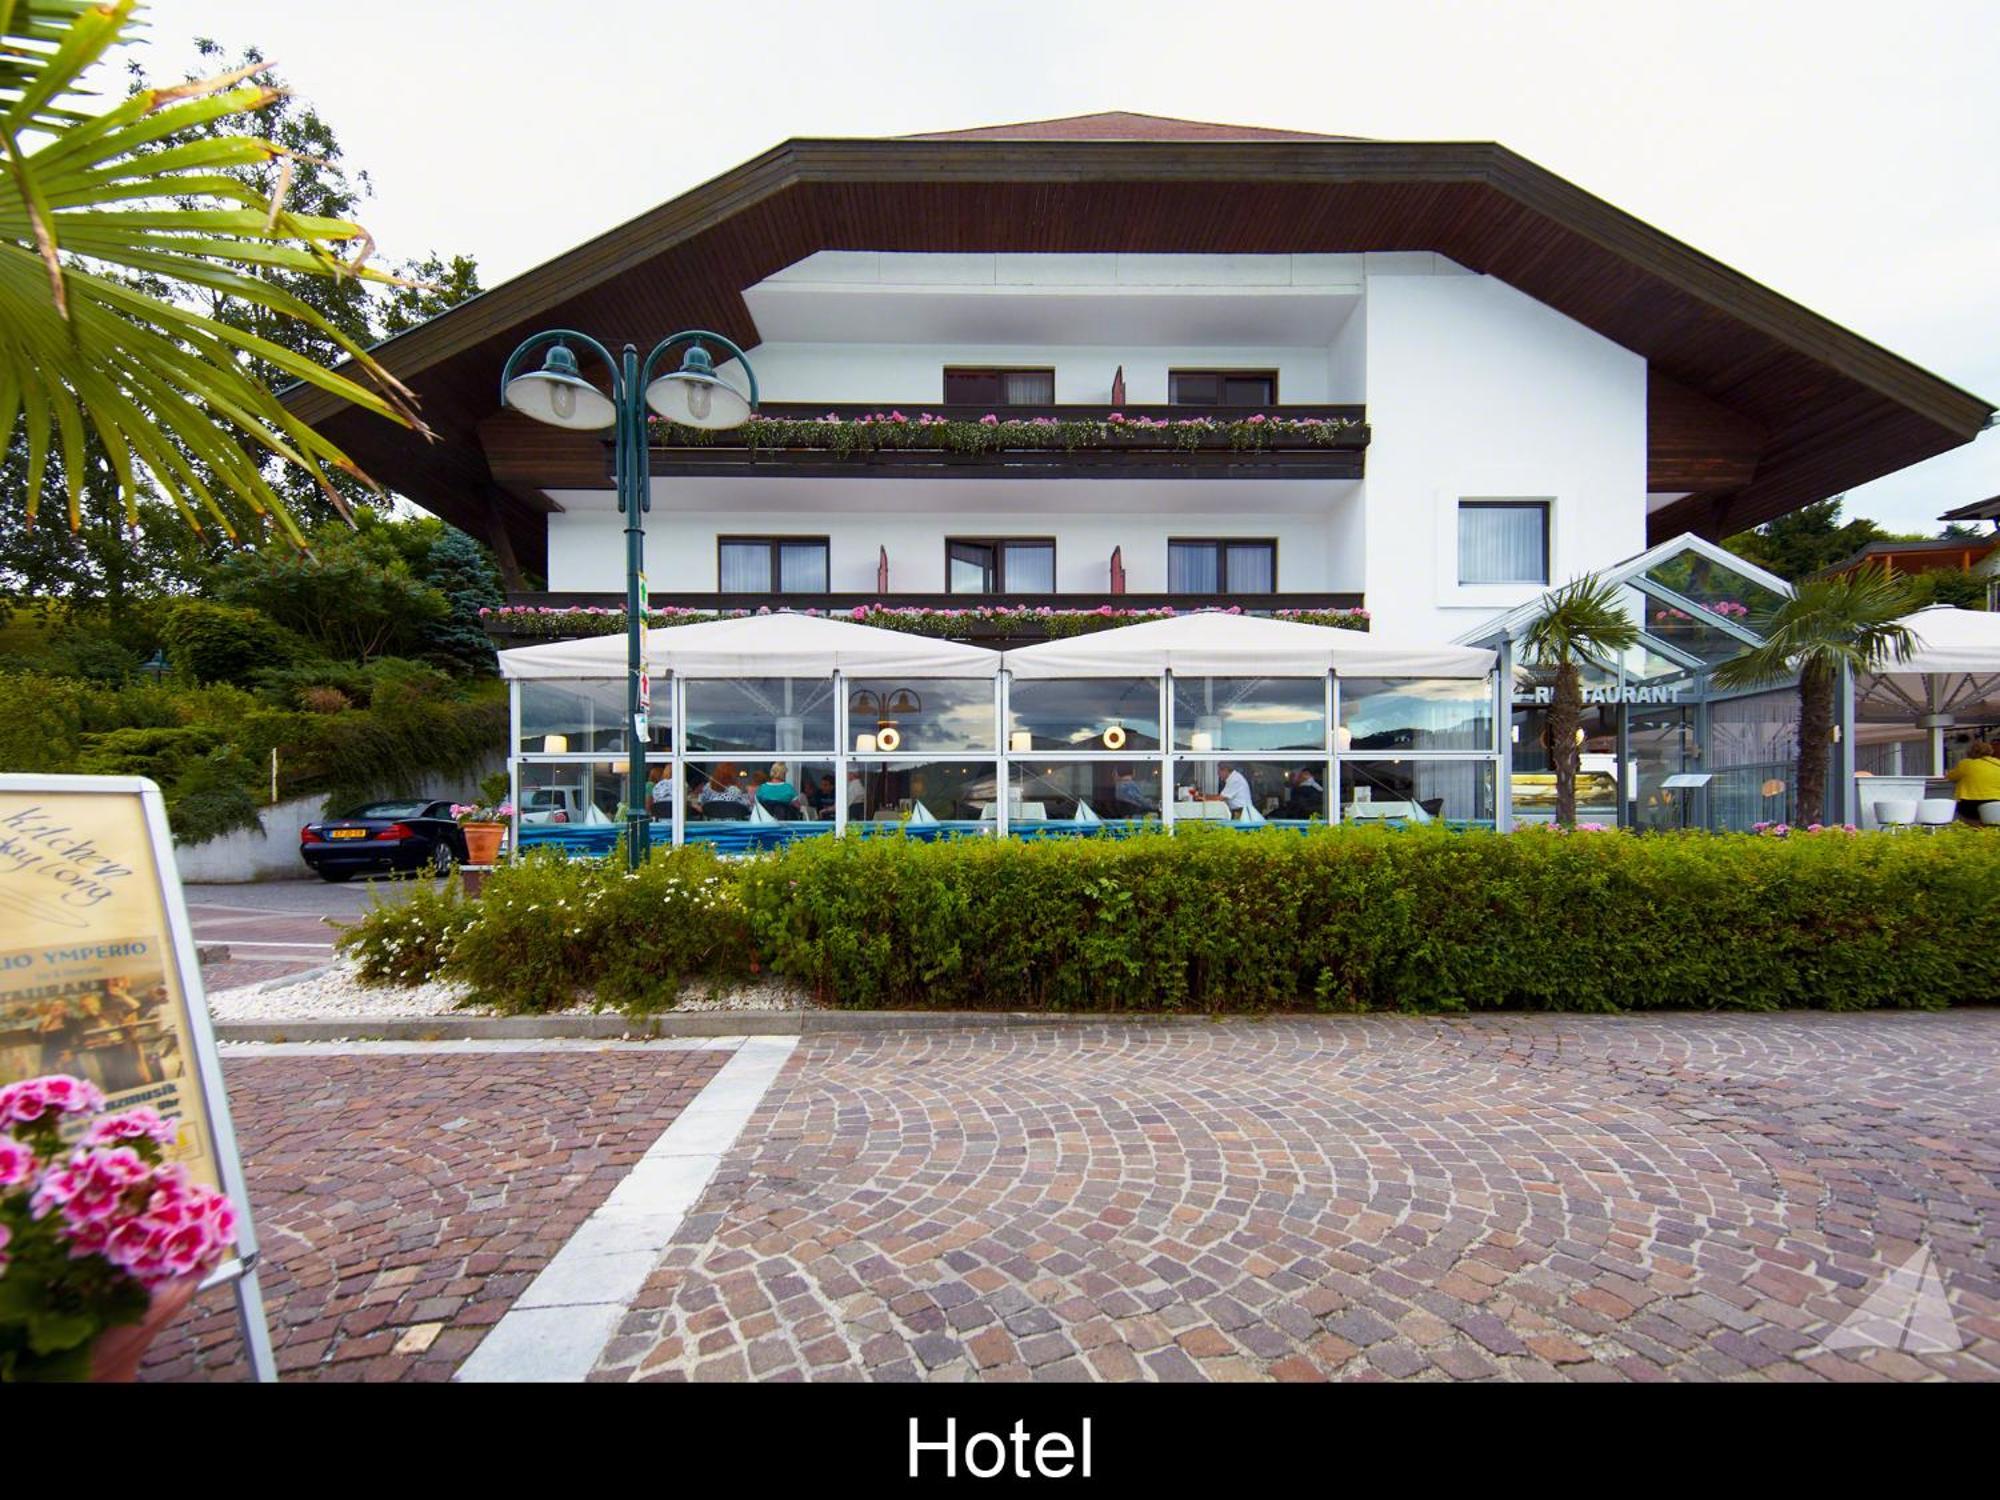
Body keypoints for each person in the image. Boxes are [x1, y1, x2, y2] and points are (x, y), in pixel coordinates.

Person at [1946, 740, 2000, 824]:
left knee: (1968, 823)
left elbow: (1950, 777)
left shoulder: (1966, 764)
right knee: (1992, 824)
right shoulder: (1998, 765)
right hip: (1995, 804)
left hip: (1969, 803)